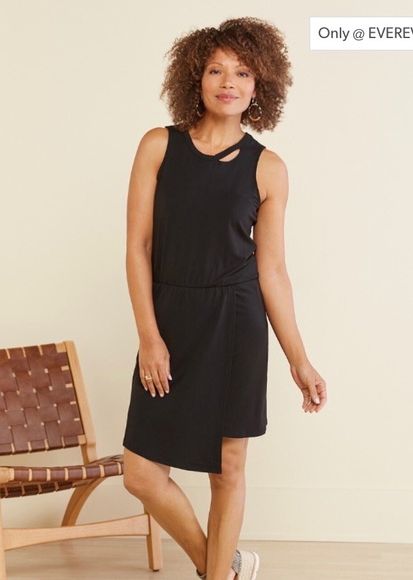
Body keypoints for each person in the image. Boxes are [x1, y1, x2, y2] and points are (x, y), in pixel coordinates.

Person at [122, 17, 327, 580]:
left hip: (235, 324)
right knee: (141, 473)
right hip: (169, 319)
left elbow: (273, 271)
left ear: (260, 86)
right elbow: (138, 247)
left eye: (242, 72)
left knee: (228, 468)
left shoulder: (269, 168)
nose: (228, 82)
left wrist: (299, 360)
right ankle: (226, 569)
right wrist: (149, 336)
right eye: (216, 70)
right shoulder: (158, 146)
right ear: (196, 76)